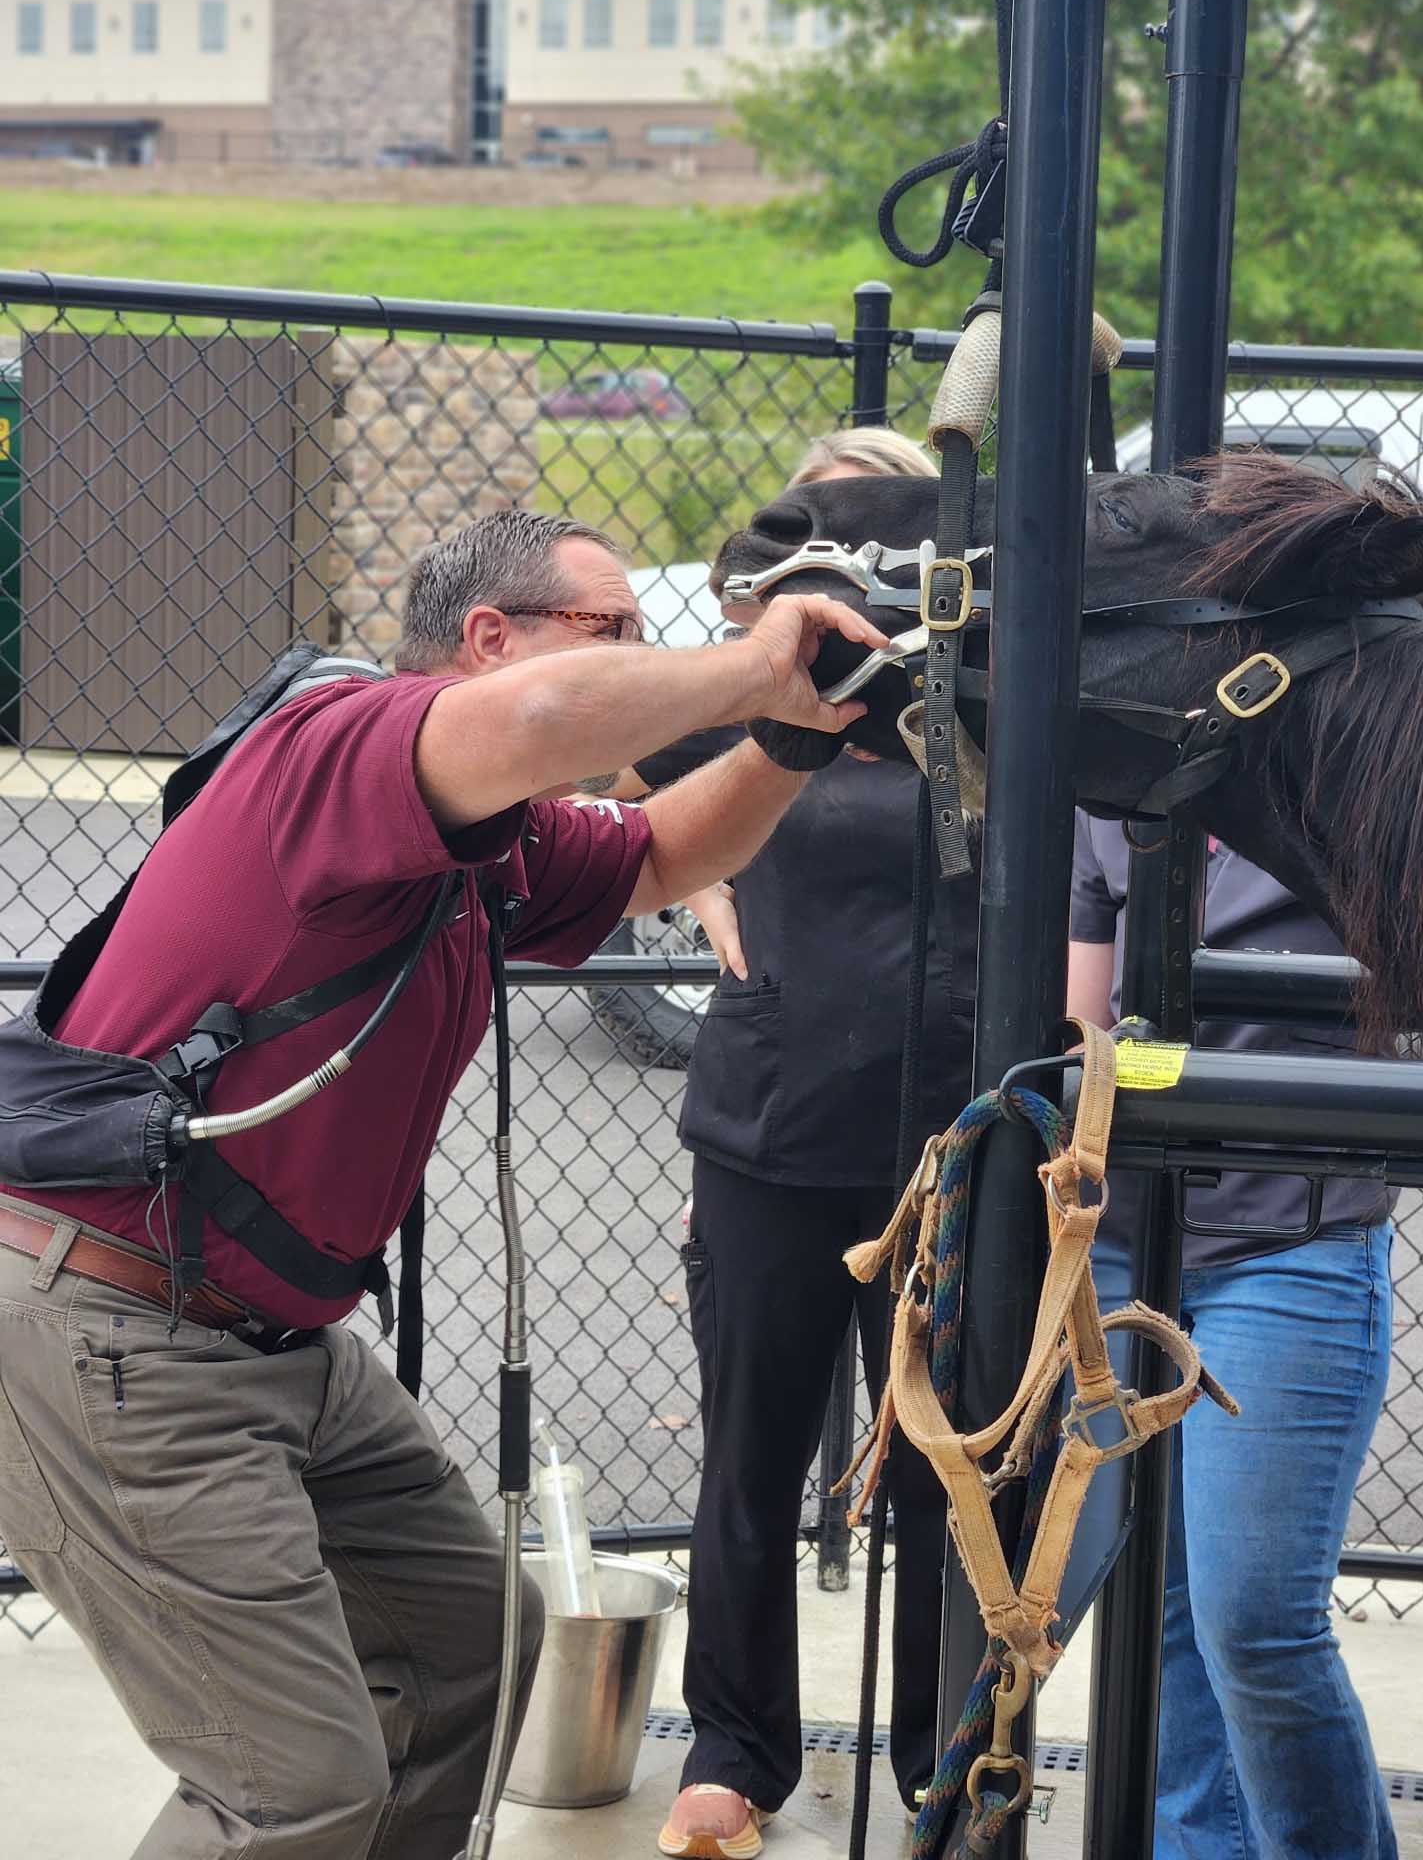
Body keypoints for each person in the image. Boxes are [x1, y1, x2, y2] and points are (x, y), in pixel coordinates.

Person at [0, 506, 887, 1860]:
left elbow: (659, 857)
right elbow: (542, 722)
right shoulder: (343, 740)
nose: (647, 662)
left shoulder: (493, 834)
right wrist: (755, 662)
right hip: (116, 1330)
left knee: (471, 1644)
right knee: (292, 1788)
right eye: (619, 633)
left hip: (268, 1337)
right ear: (489, 641)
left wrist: (784, 738)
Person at [617, 429, 974, 1860]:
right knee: (751, 1462)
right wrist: (694, 892)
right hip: (773, 1128)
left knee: (949, 1470)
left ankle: (942, 1754)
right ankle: (735, 1754)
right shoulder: (735, 692)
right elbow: (591, 758)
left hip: (957, 1138)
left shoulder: (977, 698)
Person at [1068, 812, 1398, 1860]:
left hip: (1289, 1237)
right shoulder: (1101, 791)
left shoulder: (1336, 759)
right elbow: (1077, 1022)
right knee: (1156, 1609)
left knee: (1253, 1620)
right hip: (1125, 1247)